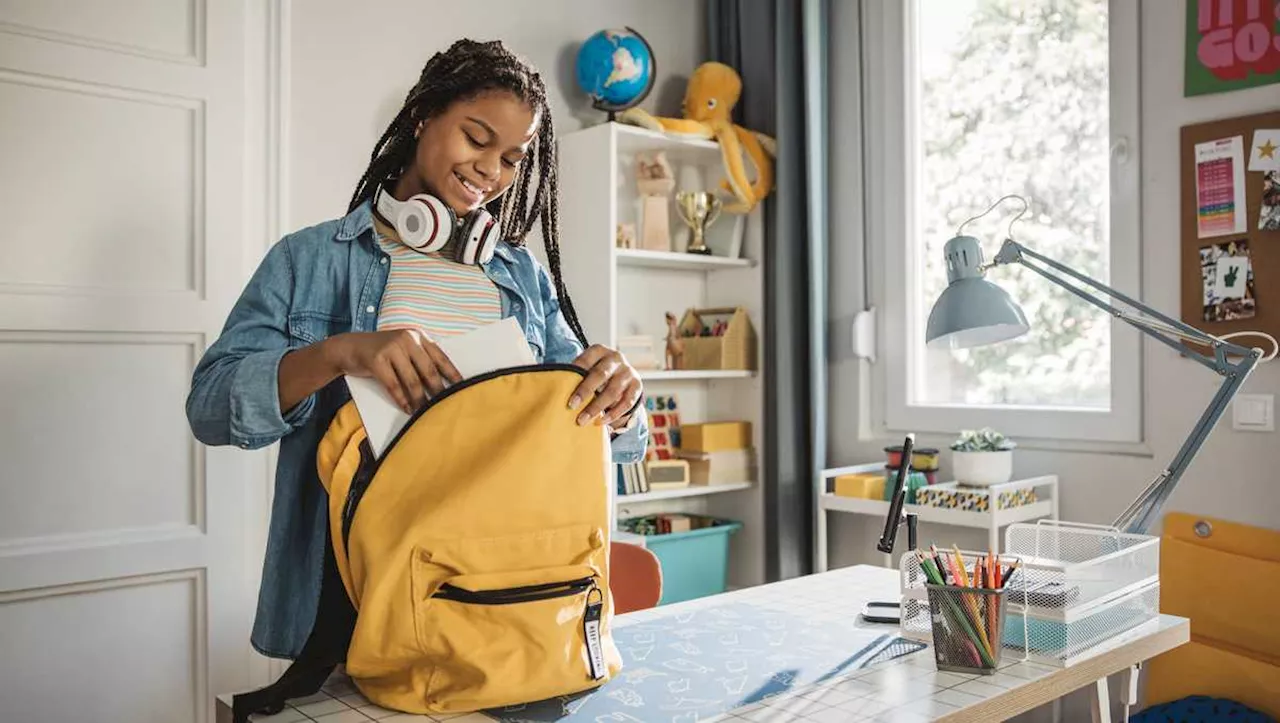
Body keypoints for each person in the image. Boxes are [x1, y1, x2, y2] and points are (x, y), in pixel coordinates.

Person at [185, 38, 648, 661]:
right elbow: (212, 407)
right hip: (354, 595)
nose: (492, 170)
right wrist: (342, 353)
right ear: (423, 116)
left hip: (498, 588)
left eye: (512, 157)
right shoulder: (310, 260)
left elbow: (611, 435)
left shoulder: (522, 277)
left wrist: (621, 396)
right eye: (476, 138)